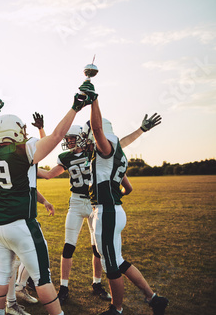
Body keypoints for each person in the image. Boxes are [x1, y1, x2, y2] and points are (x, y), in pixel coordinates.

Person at [33, 112, 162, 305]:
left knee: (101, 251)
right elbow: (49, 171)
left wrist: (141, 130)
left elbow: (120, 142)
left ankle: (101, 287)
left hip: (99, 206)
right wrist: (28, 167)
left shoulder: (97, 151)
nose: (68, 142)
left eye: (72, 138)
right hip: (81, 203)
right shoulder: (72, 156)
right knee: (76, 248)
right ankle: (65, 287)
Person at [0, 94, 88, 315]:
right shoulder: (22, 151)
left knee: (1, 273)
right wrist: (75, 108)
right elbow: (57, 136)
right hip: (21, 224)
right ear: (17, 131)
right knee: (42, 277)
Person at [79, 80, 169, 315]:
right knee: (117, 260)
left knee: (112, 266)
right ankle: (154, 299)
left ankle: (116, 309)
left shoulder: (104, 147)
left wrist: (94, 100)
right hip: (113, 210)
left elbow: (98, 130)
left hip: (107, 212)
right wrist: (142, 130)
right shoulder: (115, 151)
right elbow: (126, 182)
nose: (88, 138)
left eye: (90, 134)